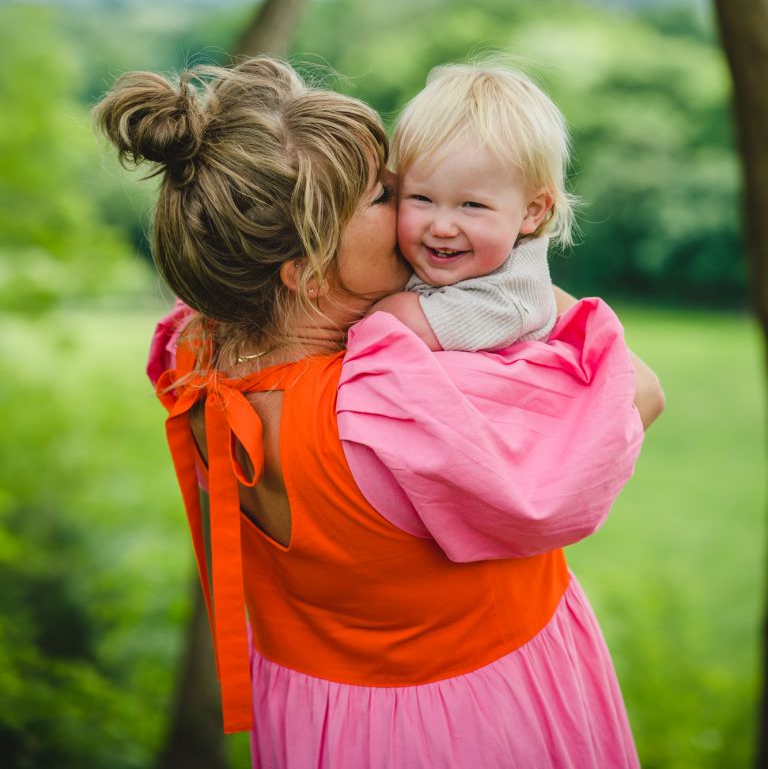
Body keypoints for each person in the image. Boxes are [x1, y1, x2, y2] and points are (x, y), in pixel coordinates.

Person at [95, 56, 664, 769]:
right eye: (385, 194)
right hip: (479, 719)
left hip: (318, 724)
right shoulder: (392, 404)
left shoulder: (196, 354)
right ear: (307, 271)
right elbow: (638, 391)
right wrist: (524, 292)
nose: (413, 213)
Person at [371, 62, 571, 351]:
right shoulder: (471, 259)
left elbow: (398, 324)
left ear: (532, 211)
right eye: (422, 199)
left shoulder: (511, 296)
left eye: (472, 205)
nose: (442, 227)